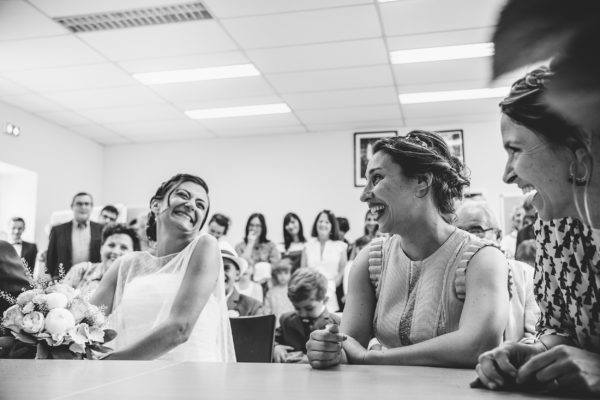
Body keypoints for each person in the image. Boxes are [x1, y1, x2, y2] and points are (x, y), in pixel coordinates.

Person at [307, 130, 509, 369]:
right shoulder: (370, 260)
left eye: (377, 179)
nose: (364, 196)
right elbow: (350, 348)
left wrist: (374, 357)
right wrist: (328, 349)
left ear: (422, 182)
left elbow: (479, 345)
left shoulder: (483, 258)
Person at [475, 67, 600, 395]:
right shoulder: (555, 229)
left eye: (514, 150)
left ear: (577, 153)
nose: (507, 175)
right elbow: (561, 328)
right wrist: (535, 350)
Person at [92, 174, 235, 361]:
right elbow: (84, 323)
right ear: (155, 205)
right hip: (132, 378)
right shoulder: (125, 265)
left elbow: (180, 328)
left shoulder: (205, 247)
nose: (191, 205)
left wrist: (111, 363)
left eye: (200, 205)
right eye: (183, 195)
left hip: (189, 377)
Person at [454, 200, 539, 343]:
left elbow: (536, 336)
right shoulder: (444, 278)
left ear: (498, 236)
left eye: (476, 231)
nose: (466, 239)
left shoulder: (527, 275)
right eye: (459, 232)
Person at [273, 268, 340, 363]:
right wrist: (276, 347)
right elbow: (271, 340)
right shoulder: (286, 320)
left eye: (309, 308)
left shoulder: (335, 324)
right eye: (297, 308)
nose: (303, 314)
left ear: (324, 300)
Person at [63, 223, 140, 298]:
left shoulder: (135, 284)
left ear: (133, 254)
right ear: (101, 248)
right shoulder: (80, 271)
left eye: (124, 247)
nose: (116, 251)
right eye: (111, 245)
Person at [46, 192, 103, 278]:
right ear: (72, 206)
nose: (83, 207)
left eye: (86, 204)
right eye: (79, 204)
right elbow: (50, 257)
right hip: (63, 280)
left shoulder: (101, 229)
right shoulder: (58, 230)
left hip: (91, 280)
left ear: (91, 207)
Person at [301, 210, 348, 312]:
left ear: (332, 226)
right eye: (320, 221)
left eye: (327, 222)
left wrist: (328, 288)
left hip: (331, 295)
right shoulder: (307, 246)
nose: (323, 224)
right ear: (316, 224)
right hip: (310, 295)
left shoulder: (340, 246)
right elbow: (302, 271)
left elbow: (341, 273)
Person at [235, 213, 280, 282]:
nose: (254, 228)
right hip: (245, 284)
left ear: (263, 228)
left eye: (258, 226)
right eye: (251, 225)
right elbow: (240, 266)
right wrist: (250, 243)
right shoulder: (239, 246)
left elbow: (276, 266)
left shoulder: (270, 246)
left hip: (266, 283)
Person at [222, 245, 263, 317]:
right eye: (217, 268)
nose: (221, 274)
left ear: (237, 274)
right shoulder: (198, 302)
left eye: (226, 268)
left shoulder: (253, 307)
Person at [264, 258, 294, 327]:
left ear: (291, 273)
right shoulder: (271, 292)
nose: (282, 276)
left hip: (291, 325)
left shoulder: (293, 290)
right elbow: (267, 311)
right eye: (280, 273)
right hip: (276, 326)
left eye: (286, 273)